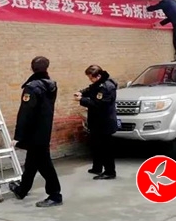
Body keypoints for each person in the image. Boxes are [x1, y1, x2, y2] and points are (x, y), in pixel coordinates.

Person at [9, 56, 63, 208]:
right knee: (31, 163)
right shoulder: (51, 85)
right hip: (44, 130)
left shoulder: (32, 88)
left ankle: (55, 195)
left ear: (32, 68)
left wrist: (18, 136)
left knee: (44, 165)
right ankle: (22, 190)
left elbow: (25, 113)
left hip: (34, 133)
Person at [74, 65, 119, 180]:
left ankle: (109, 171)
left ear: (98, 76)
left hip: (104, 122)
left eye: (91, 78)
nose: (90, 80)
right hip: (96, 121)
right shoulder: (98, 84)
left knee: (106, 148)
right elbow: (90, 90)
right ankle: (97, 167)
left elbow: (98, 104)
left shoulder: (106, 87)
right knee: (96, 145)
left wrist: (82, 100)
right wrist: (81, 93)